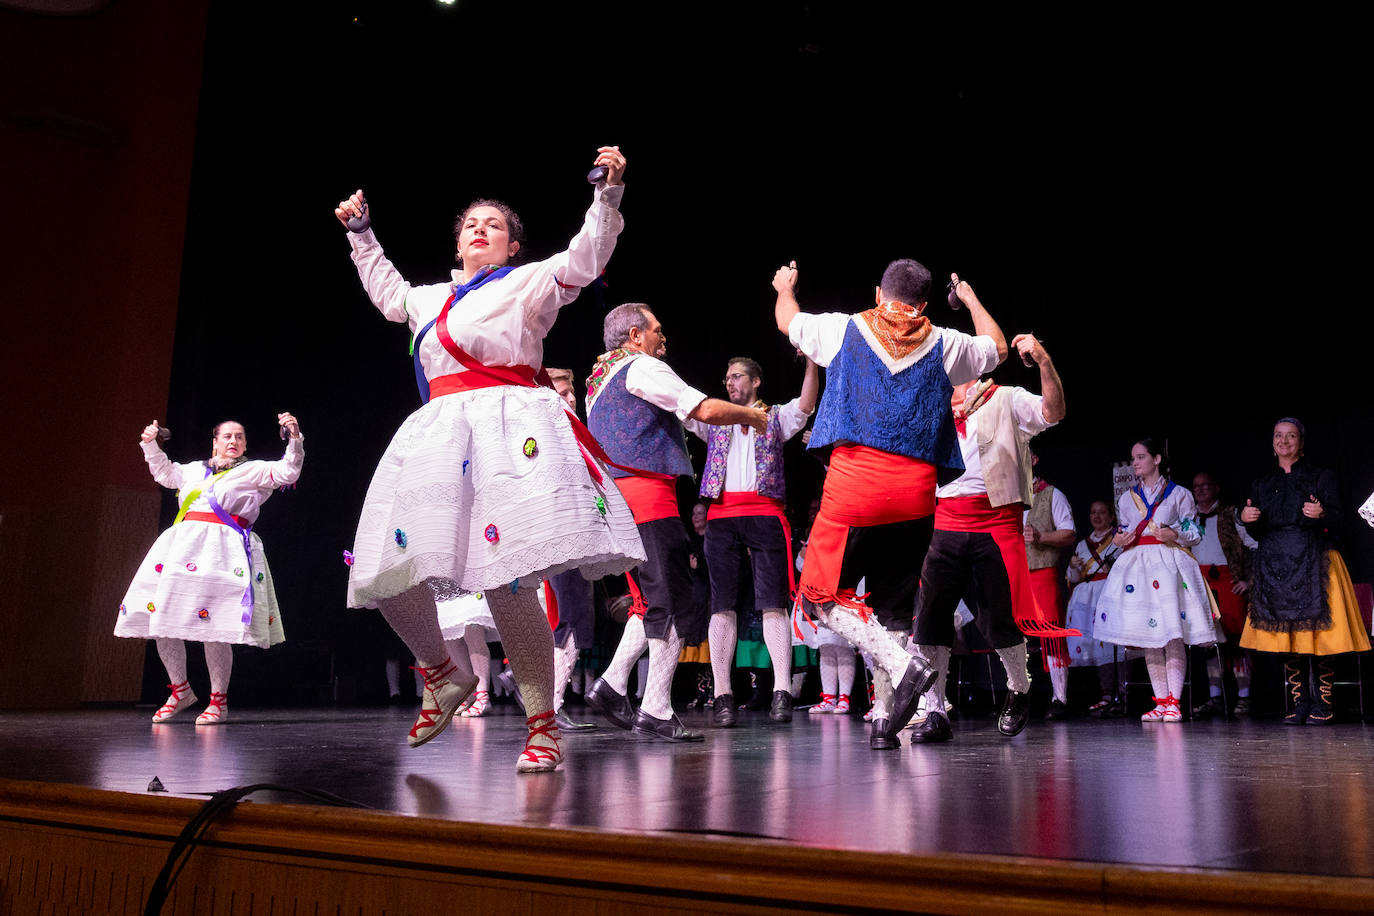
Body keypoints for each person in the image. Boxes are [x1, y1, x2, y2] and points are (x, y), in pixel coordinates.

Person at [334, 147, 645, 773]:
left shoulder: (529, 284)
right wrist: (362, 234)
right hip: (439, 439)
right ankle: (444, 674)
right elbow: (389, 293)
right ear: (458, 242)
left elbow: (586, 256)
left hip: (506, 436)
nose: (481, 229)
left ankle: (542, 724)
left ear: (510, 247)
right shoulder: (427, 300)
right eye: (471, 223)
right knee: (387, 571)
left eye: (495, 225)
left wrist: (606, 197)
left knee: (506, 582)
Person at [773, 259, 1006, 748]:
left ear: (879, 293)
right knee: (894, 609)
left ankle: (905, 667)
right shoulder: (947, 342)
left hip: (855, 489)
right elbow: (997, 347)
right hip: (917, 496)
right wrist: (970, 300)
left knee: (817, 596)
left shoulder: (844, 328)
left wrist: (784, 287)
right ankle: (884, 720)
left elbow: (786, 321)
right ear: (922, 304)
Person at [584, 303, 768, 741]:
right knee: (676, 605)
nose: (663, 340)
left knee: (650, 602)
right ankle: (657, 708)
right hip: (648, 499)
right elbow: (700, 409)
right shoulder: (641, 368)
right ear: (635, 336)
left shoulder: (599, 380)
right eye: (657, 331)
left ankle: (612, 686)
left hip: (618, 503)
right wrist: (752, 416)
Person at [909, 335, 1069, 744]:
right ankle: (935, 710)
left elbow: (1054, 412)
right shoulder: (933, 407)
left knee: (1000, 619)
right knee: (931, 620)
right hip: (944, 522)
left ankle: (1019, 688)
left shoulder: (1006, 397)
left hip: (996, 522)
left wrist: (1045, 361)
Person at [117, 414, 303, 725]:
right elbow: (165, 473)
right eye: (227, 436)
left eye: (240, 437)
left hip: (222, 553)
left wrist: (295, 439)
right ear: (214, 442)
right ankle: (180, 690)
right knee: (162, 618)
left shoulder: (253, 470)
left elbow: (287, 471)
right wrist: (150, 444)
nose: (234, 441)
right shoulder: (192, 471)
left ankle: (219, 701)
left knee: (214, 627)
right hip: (181, 549)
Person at [685, 355, 819, 726]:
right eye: (726, 377)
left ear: (756, 381)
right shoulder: (713, 418)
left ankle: (781, 691)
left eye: (738, 376)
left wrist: (810, 361)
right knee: (721, 604)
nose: (729, 383)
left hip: (765, 514)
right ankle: (723, 693)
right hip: (722, 516)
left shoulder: (775, 417)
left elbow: (806, 405)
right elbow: (681, 409)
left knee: (772, 603)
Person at [1239, 418, 1370, 724]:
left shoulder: (1320, 477)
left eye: (1290, 436)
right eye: (1278, 436)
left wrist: (1321, 513)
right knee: (1289, 637)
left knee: (1320, 636)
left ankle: (1323, 703)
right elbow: (1257, 532)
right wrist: (1248, 518)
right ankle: (1300, 702)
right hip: (1278, 568)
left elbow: (1340, 521)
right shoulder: (1262, 483)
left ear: (1301, 441)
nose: (1283, 441)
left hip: (1315, 561)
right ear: (1272, 442)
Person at [1094, 438, 1220, 723]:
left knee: (1171, 634)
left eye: (1140, 457)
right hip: (1139, 568)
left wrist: (1174, 535)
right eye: (1133, 458)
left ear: (1157, 459)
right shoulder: (1127, 499)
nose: (1135, 463)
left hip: (1169, 565)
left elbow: (1195, 531)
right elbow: (1123, 532)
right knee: (1150, 637)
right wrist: (1119, 539)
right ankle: (1161, 701)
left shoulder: (1179, 495)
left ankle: (1174, 701)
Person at [1189, 471, 1257, 718]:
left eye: (1206, 485)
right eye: (1196, 486)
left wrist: (1249, 580)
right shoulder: (1189, 517)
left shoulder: (1231, 514)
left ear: (1216, 488)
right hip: (1200, 584)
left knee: (1238, 641)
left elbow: (1254, 546)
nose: (1201, 490)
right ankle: (1215, 697)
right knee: (1209, 642)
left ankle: (1244, 697)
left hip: (1229, 582)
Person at [1023, 447, 1076, 718]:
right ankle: (1020, 697)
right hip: (1016, 575)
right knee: (1015, 639)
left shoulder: (1052, 494)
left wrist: (1042, 537)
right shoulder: (1007, 496)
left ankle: (1060, 699)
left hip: (1042, 572)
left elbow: (1069, 534)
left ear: (1034, 459)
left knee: (1051, 635)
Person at [1065, 500, 1127, 716]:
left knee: (1111, 647)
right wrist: (1072, 567)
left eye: (1102, 513)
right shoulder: (1083, 544)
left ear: (1111, 516)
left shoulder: (1117, 540)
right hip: (1086, 601)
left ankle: (1119, 695)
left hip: (1109, 595)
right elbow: (1074, 578)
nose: (1097, 517)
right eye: (1093, 513)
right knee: (1093, 648)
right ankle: (1104, 695)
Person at [435, 591, 496, 717]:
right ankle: (468, 694)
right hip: (447, 585)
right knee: (450, 636)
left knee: (473, 633)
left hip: (472, 583)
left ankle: (483, 696)